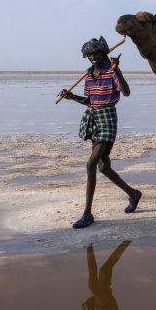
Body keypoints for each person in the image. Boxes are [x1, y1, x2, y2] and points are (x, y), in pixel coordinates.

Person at [61, 36, 141, 229]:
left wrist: (116, 70)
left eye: (95, 53)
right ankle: (133, 194)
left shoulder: (110, 72)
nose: (92, 57)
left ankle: (87, 215)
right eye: (89, 54)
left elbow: (126, 92)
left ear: (103, 53)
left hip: (108, 119)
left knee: (91, 164)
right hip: (93, 119)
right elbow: (90, 101)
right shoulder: (89, 75)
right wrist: (72, 97)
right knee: (103, 167)